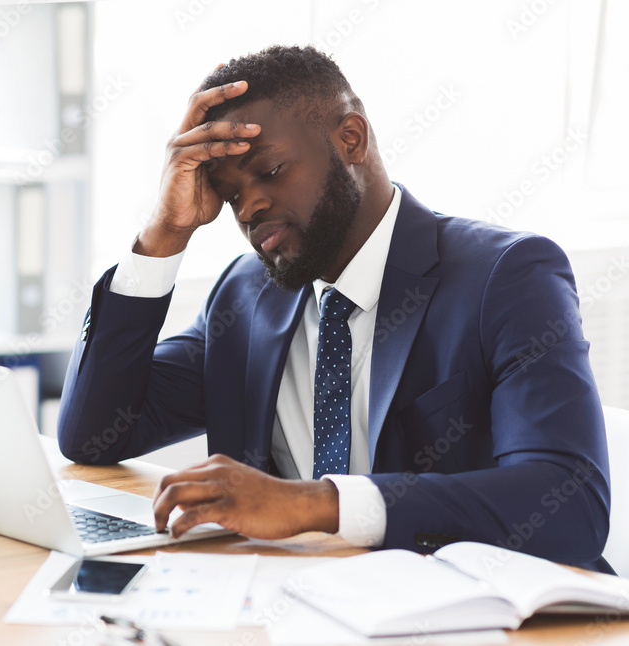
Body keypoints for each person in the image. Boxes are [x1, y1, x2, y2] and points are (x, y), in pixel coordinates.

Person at [56, 45, 611, 572]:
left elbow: (568, 500)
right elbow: (94, 435)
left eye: (269, 172)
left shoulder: (506, 276)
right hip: (299, 606)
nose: (248, 205)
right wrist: (164, 233)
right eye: (229, 196)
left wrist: (315, 504)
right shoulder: (246, 298)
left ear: (350, 138)